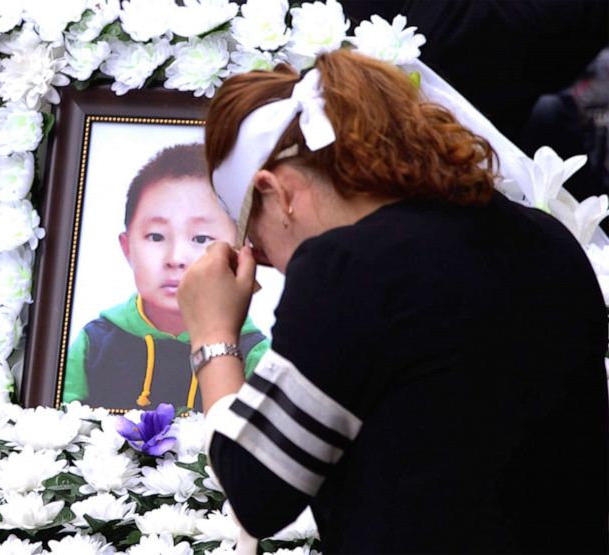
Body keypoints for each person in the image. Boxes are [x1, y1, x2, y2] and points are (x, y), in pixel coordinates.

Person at [178, 49, 608, 553]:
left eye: (255, 240)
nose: (265, 261)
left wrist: (212, 336)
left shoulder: (347, 267)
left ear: (276, 192)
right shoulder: (544, 237)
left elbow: (257, 495)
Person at [63, 143, 269, 411]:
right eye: (156, 236)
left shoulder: (255, 353)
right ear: (127, 248)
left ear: (241, 252)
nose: (176, 258)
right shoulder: (95, 343)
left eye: (201, 238)